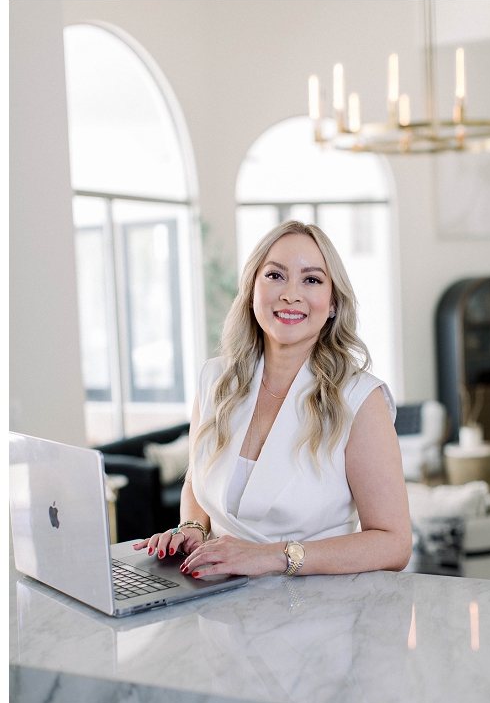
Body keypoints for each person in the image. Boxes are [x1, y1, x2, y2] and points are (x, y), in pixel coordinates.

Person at [135, 220, 410, 578]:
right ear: (252, 290)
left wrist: (273, 556)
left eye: (311, 279)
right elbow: (194, 481)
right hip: (216, 608)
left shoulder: (359, 399)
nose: (290, 294)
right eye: (275, 276)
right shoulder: (215, 379)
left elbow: (394, 543)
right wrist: (193, 529)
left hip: (315, 614)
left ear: (332, 304)